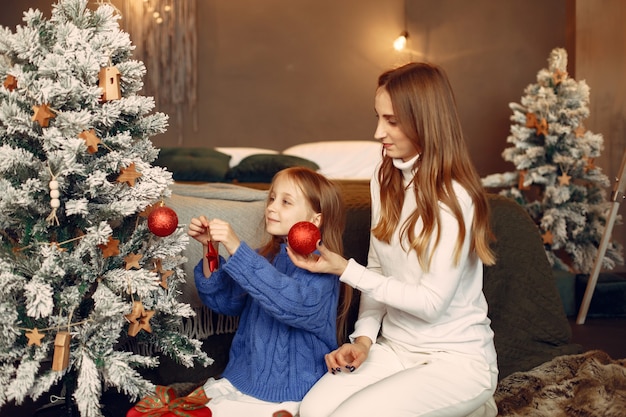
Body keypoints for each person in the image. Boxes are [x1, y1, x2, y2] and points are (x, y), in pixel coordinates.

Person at [290, 62, 499, 417]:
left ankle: (474, 402)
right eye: (378, 117)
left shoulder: (456, 197)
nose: (377, 132)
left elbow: (431, 303)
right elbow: (377, 268)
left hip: (455, 361)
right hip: (396, 349)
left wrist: (343, 269)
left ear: (423, 121)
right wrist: (364, 339)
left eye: (391, 121)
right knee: (311, 412)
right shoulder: (384, 177)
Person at [187, 166, 352, 416]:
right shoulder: (264, 258)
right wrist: (210, 248)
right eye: (272, 198)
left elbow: (291, 304)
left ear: (314, 220)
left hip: (291, 392)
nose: (272, 207)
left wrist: (236, 247)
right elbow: (223, 301)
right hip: (241, 380)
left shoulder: (324, 268)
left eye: (286, 202)